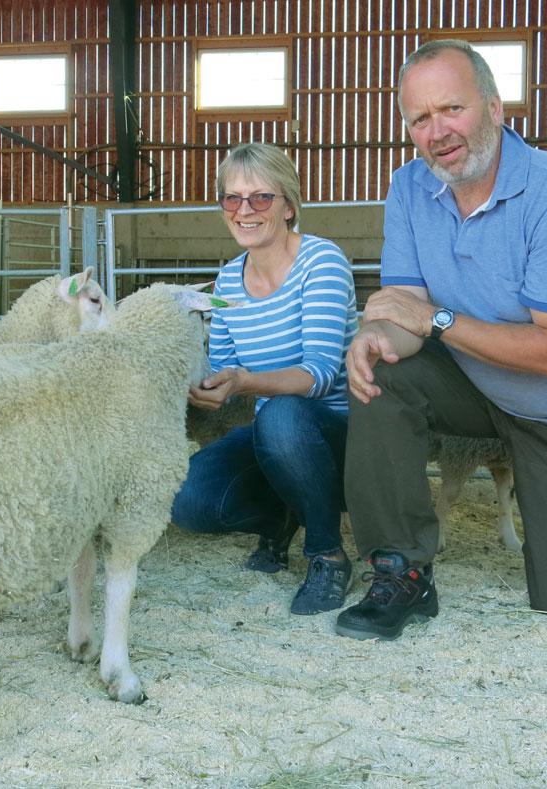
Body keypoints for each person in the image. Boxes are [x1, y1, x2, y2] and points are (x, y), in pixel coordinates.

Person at [333, 39, 547, 641]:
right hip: (478, 383)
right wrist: (374, 335)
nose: (438, 132)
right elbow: (404, 310)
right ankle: (400, 571)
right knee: (379, 373)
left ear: (494, 107)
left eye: (451, 109)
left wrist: (436, 321)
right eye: (420, 119)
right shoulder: (409, 188)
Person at [171, 142, 360, 616]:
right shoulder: (228, 281)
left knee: (282, 415)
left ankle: (326, 553)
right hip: (274, 435)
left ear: (289, 206)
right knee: (187, 498)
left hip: (339, 437)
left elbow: (318, 376)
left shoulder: (322, 262)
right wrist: (206, 387)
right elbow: (225, 368)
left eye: (261, 198)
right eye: (232, 199)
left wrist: (242, 382)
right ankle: (281, 516)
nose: (244, 211)